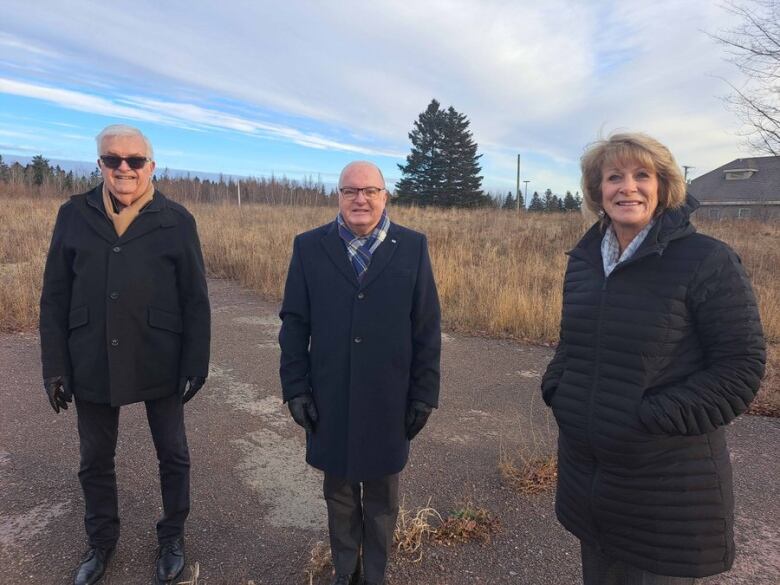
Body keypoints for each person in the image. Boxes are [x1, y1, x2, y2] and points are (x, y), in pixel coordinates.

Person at [541, 132, 766, 585]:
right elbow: (573, 341)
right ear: (597, 191)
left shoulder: (707, 260)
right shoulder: (585, 261)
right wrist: (559, 388)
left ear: (664, 185)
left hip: (666, 487)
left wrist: (647, 418)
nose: (628, 187)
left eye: (642, 175)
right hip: (591, 480)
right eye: (613, 177)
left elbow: (740, 368)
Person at [39, 124, 210, 585]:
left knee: (173, 454)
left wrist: (197, 361)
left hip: (160, 353)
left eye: (134, 160)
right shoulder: (73, 214)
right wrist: (54, 365)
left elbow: (195, 297)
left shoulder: (177, 220)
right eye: (113, 159)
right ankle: (100, 541)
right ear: (100, 165)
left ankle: (172, 536)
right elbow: (55, 294)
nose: (124, 168)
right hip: (90, 354)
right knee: (95, 458)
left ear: (151, 166)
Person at [279, 161, 441, 585]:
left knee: (383, 497)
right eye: (350, 191)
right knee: (339, 493)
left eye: (370, 190)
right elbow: (294, 323)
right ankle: (345, 570)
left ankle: (375, 575)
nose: (360, 199)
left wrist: (425, 393)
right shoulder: (309, 247)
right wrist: (295, 387)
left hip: (390, 396)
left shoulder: (412, 247)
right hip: (330, 394)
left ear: (385, 196)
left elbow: (426, 326)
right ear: (338, 196)